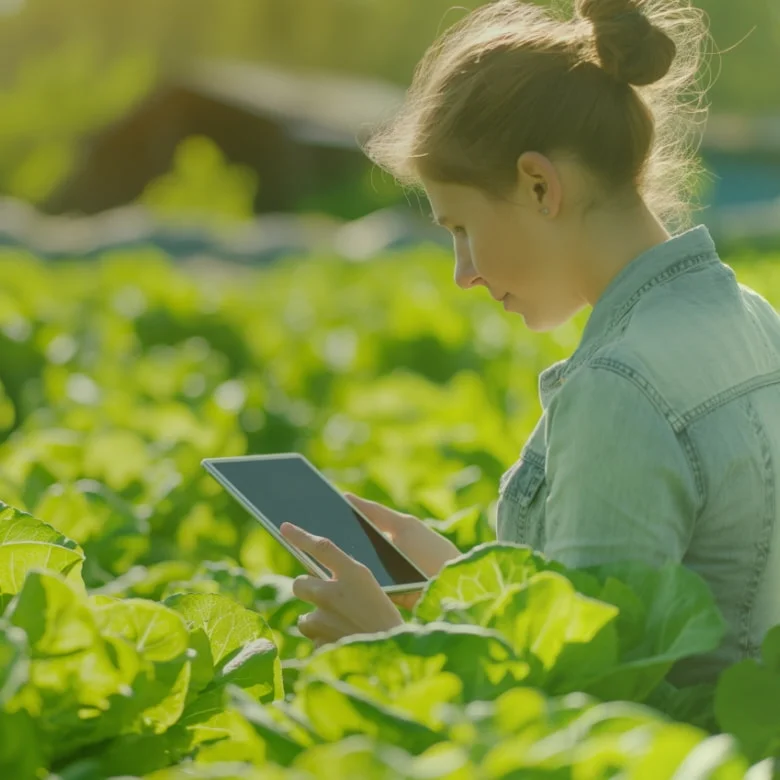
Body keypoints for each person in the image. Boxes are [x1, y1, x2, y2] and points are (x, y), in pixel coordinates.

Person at [280, 0, 780, 685]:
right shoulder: (756, 320)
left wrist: (391, 642)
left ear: (540, 185)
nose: (463, 274)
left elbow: (585, 701)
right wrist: (457, 582)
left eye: (462, 228)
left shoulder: (620, 390)